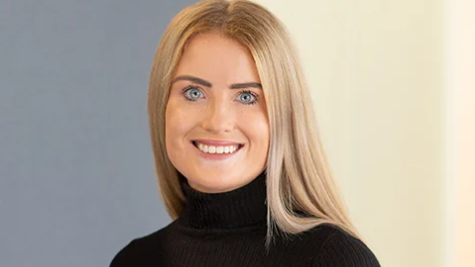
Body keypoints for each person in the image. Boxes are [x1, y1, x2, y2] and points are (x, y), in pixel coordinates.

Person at [110, 0, 381, 266]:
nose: (217, 122)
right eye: (194, 93)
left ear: (284, 117)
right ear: (162, 105)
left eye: (247, 97)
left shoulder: (334, 258)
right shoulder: (134, 260)